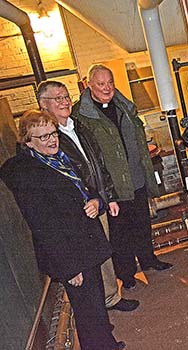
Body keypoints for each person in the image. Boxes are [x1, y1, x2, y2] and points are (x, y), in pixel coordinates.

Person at [0, 110, 125, 350]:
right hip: (71, 253)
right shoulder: (28, 175)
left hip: (84, 244)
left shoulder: (59, 160)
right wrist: (70, 267)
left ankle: (103, 342)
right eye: (43, 136)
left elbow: (87, 189)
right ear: (28, 142)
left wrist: (96, 202)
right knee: (86, 308)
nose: (52, 139)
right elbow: (43, 226)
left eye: (53, 133)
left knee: (95, 304)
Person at [37, 80, 139, 312]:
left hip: (97, 201)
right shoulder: (48, 138)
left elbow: (98, 164)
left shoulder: (78, 127)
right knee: (89, 259)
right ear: (44, 105)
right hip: (78, 208)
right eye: (58, 98)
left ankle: (110, 297)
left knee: (104, 252)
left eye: (65, 97)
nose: (64, 102)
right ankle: (100, 305)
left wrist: (108, 197)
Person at [72, 64, 172, 290]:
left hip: (135, 178)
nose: (107, 88)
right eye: (101, 84)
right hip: (113, 186)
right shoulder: (82, 116)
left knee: (142, 223)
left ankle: (148, 259)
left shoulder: (124, 106)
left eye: (110, 82)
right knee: (120, 233)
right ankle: (126, 273)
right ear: (89, 85)